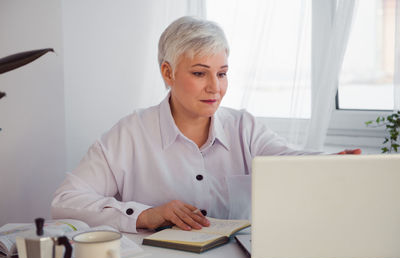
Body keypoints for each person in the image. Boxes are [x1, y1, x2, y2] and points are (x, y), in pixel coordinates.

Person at [51, 16, 361, 233]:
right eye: (200, 73)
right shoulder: (129, 133)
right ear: (168, 73)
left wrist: (329, 164)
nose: (215, 87)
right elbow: (66, 201)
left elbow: (287, 160)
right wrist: (146, 214)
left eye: (222, 73)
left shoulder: (245, 128)